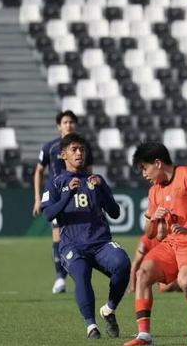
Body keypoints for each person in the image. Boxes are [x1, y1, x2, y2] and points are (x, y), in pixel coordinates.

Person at [40, 133, 130, 340]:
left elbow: (115, 212)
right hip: (72, 245)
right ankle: (91, 326)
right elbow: (48, 214)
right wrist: (66, 196)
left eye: (82, 149)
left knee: (123, 264)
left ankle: (109, 309)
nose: (79, 153)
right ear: (63, 155)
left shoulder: (95, 180)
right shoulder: (55, 183)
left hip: (101, 243)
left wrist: (103, 190)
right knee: (81, 275)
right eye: (74, 150)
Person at [126, 142, 187, 346]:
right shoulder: (154, 191)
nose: (143, 174)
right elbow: (149, 234)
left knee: (186, 282)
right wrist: (153, 219)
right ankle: (144, 336)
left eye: (144, 168)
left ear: (157, 163)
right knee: (143, 273)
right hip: (171, 244)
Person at [32, 110, 94, 294]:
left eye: (72, 122)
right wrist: (38, 198)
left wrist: (93, 194)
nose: (69, 125)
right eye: (65, 122)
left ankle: (79, 273)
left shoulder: (83, 146)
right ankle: (60, 278)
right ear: (59, 126)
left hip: (79, 196)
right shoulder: (50, 147)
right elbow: (39, 171)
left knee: (79, 234)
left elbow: (89, 171)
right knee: (58, 236)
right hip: (58, 198)